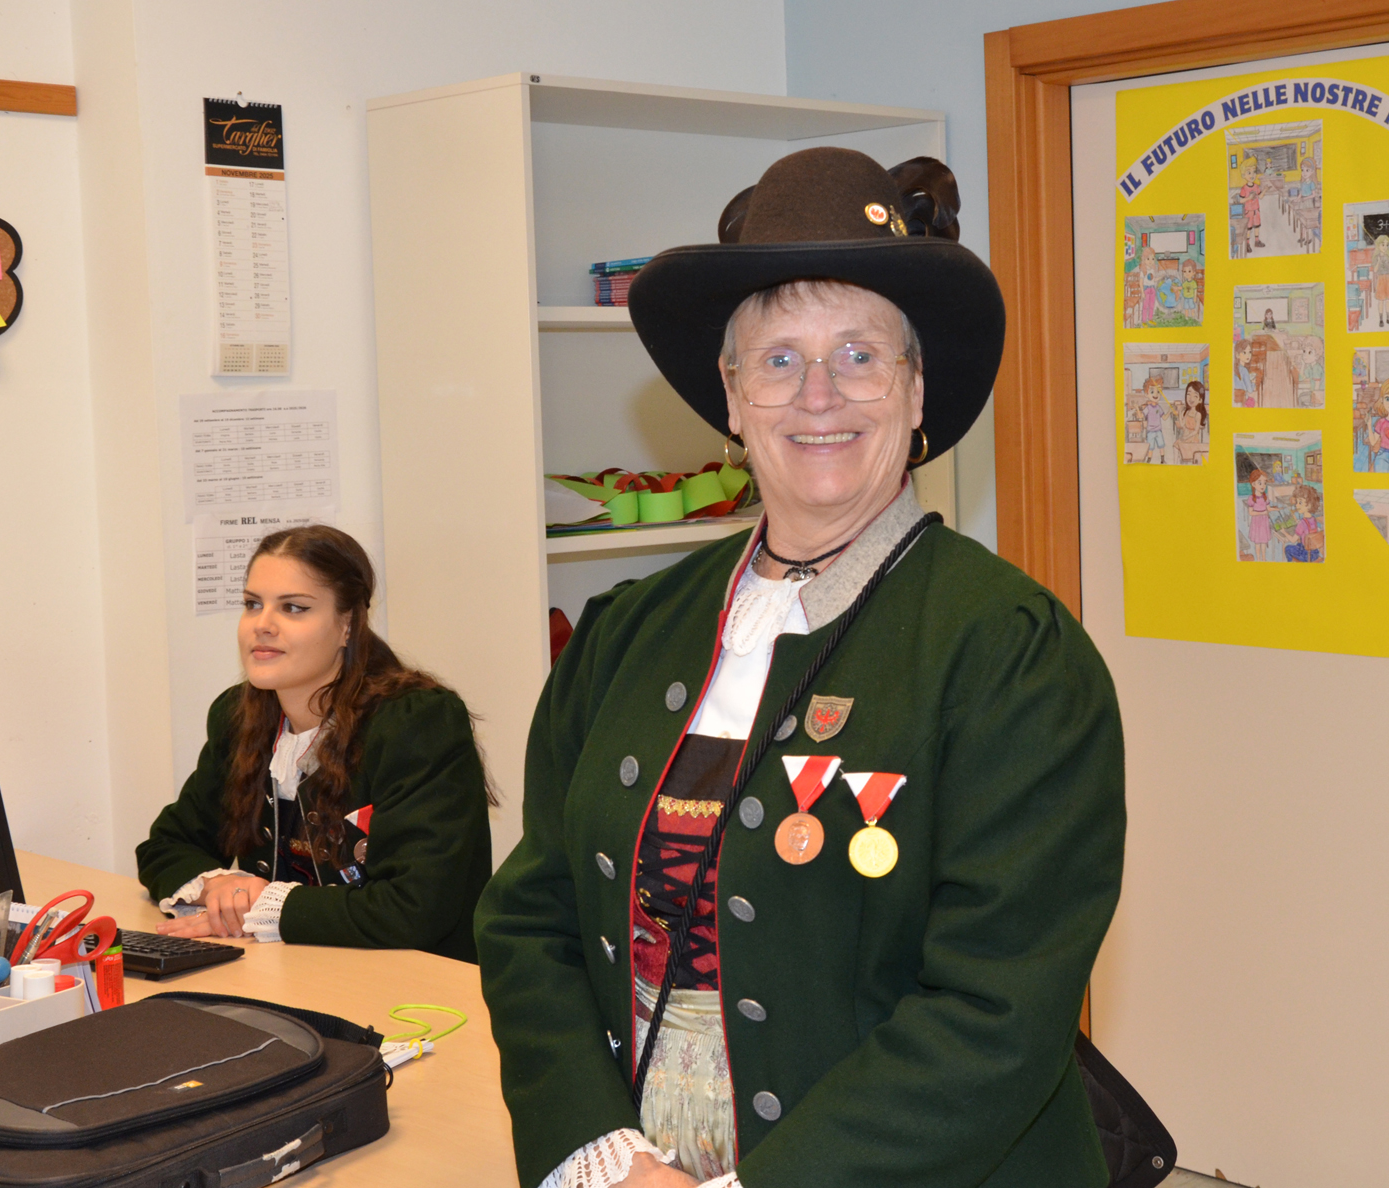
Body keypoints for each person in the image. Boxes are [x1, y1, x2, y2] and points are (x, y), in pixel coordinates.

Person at [476, 148, 1126, 1188]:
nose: (818, 395)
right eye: (777, 360)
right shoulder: (627, 631)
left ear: (917, 391)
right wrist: (598, 1151)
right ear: (731, 399)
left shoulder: (1010, 652)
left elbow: (995, 1007)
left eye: (859, 355)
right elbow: (531, 915)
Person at [136, 525, 493, 959]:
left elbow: (417, 908)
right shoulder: (238, 716)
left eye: (293, 608)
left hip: (412, 983)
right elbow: (164, 846)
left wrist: (263, 906)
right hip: (286, 973)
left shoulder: (417, 722)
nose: (262, 625)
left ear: (347, 626)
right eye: (252, 604)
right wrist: (221, 886)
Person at [1176, 379, 1209, 464]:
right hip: (1185, 437)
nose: (1191, 398)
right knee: (1175, 446)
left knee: (1189, 457)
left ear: (1200, 400)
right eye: (1188, 394)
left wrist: (1186, 437)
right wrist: (1180, 413)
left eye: (1195, 396)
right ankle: (1176, 465)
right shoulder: (1187, 412)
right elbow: (1182, 425)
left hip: (1192, 440)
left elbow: (1195, 431)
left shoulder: (1198, 414)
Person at [1244, 469, 1274, 561]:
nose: (1263, 486)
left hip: (1264, 522)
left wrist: (1278, 509)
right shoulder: (1251, 498)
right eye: (1260, 483)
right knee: (1257, 543)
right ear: (1253, 484)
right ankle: (1258, 559)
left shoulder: (1265, 497)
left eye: (1264, 483)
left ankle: (1263, 559)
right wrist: (1262, 513)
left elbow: (1269, 508)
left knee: (1264, 542)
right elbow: (1250, 512)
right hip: (1256, 522)